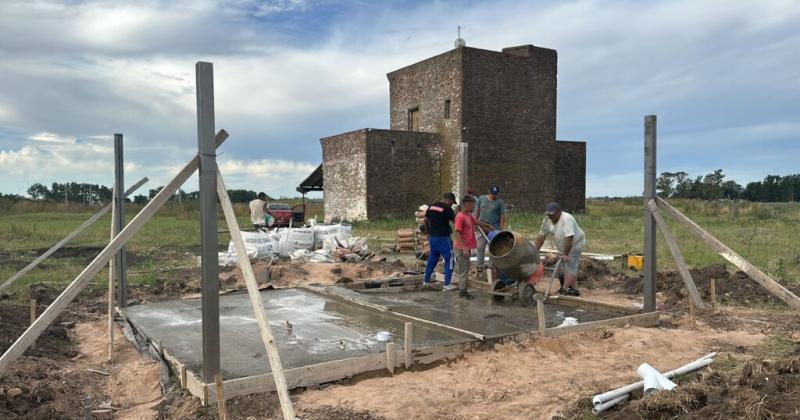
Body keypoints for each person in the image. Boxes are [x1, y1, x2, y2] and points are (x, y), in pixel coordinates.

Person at [533, 202, 586, 296]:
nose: (550, 216)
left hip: (575, 243)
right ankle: (574, 289)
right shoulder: (547, 220)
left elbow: (569, 238)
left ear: (559, 212)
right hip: (563, 244)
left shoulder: (567, 219)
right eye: (548, 214)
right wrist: (534, 251)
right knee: (568, 266)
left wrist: (566, 254)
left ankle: (564, 289)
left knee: (571, 264)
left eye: (552, 214)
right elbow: (541, 236)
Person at [453, 195, 493, 299]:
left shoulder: (468, 215)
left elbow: (476, 222)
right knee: (464, 270)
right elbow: (457, 232)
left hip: (466, 247)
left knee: (465, 268)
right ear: (468, 205)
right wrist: (463, 247)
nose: (474, 208)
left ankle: (463, 291)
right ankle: (463, 292)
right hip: (461, 248)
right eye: (473, 205)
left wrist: (487, 226)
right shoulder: (460, 216)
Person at [423, 192, 458, 291]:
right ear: (449, 200)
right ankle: (447, 285)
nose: (452, 204)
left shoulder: (432, 206)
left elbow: (425, 220)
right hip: (443, 239)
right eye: (452, 203)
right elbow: (456, 222)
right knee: (450, 259)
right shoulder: (447, 209)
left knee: (432, 259)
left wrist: (427, 232)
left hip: (433, 238)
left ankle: (426, 281)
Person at [475, 185, 506, 272]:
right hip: (481, 226)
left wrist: (500, 228)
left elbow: (502, 216)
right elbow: (478, 211)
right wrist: (475, 222)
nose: (493, 196)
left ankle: (491, 266)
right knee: (480, 247)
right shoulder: (481, 199)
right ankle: (479, 266)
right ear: (489, 191)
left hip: (493, 228)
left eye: (495, 194)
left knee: (493, 247)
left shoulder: (500, 202)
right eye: (492, 193)